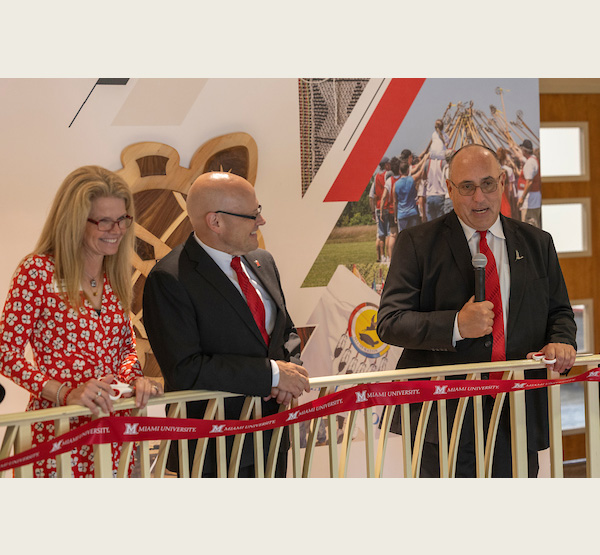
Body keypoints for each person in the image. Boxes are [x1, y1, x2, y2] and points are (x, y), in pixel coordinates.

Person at [377, 144, 576, 478]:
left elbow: (559, 312)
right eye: (467, 187)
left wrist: (561, 340)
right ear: (451, 189)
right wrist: (455, 324)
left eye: (487, 184)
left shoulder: (537, 243)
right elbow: (390, 322)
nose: (479, 198)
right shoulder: (417, 242)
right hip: (442, 420)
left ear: (502, 182)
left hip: (517, 415)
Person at [142, 171, 310, 477]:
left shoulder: (263, 261)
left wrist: (289, 374)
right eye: (252, 214)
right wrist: (272, 375)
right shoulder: (169, 278)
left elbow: (284, 331)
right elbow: (186, 369)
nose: (261, 222)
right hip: (214, 447)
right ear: (215, 222)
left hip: (272, 435)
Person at [0, 165, 163, 478]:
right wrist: (63, 392)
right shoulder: (37, 272)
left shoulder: (113, 274)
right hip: (60, 431)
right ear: (74, 221)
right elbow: (6, 355)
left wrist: (135, 379)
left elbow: (125, 348)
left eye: (122, 219)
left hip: (114, 428)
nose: (116, 229)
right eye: (104, 221)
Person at [369, 157, 393, 263]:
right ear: (386, 165)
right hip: (386, 207)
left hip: (378, 207)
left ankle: (382, 256)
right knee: (389, 234)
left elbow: (373, 195)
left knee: (381, 234)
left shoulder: (376, 176)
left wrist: (373, 210)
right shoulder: (387, 175)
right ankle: (388, 256)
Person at [515, 139, 542, 228]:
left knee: (530, 225)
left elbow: (529, 182)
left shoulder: (530, 163)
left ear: (524, 150)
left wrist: (522, 198)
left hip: (529, 201)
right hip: (531, 199)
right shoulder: (532, 160)